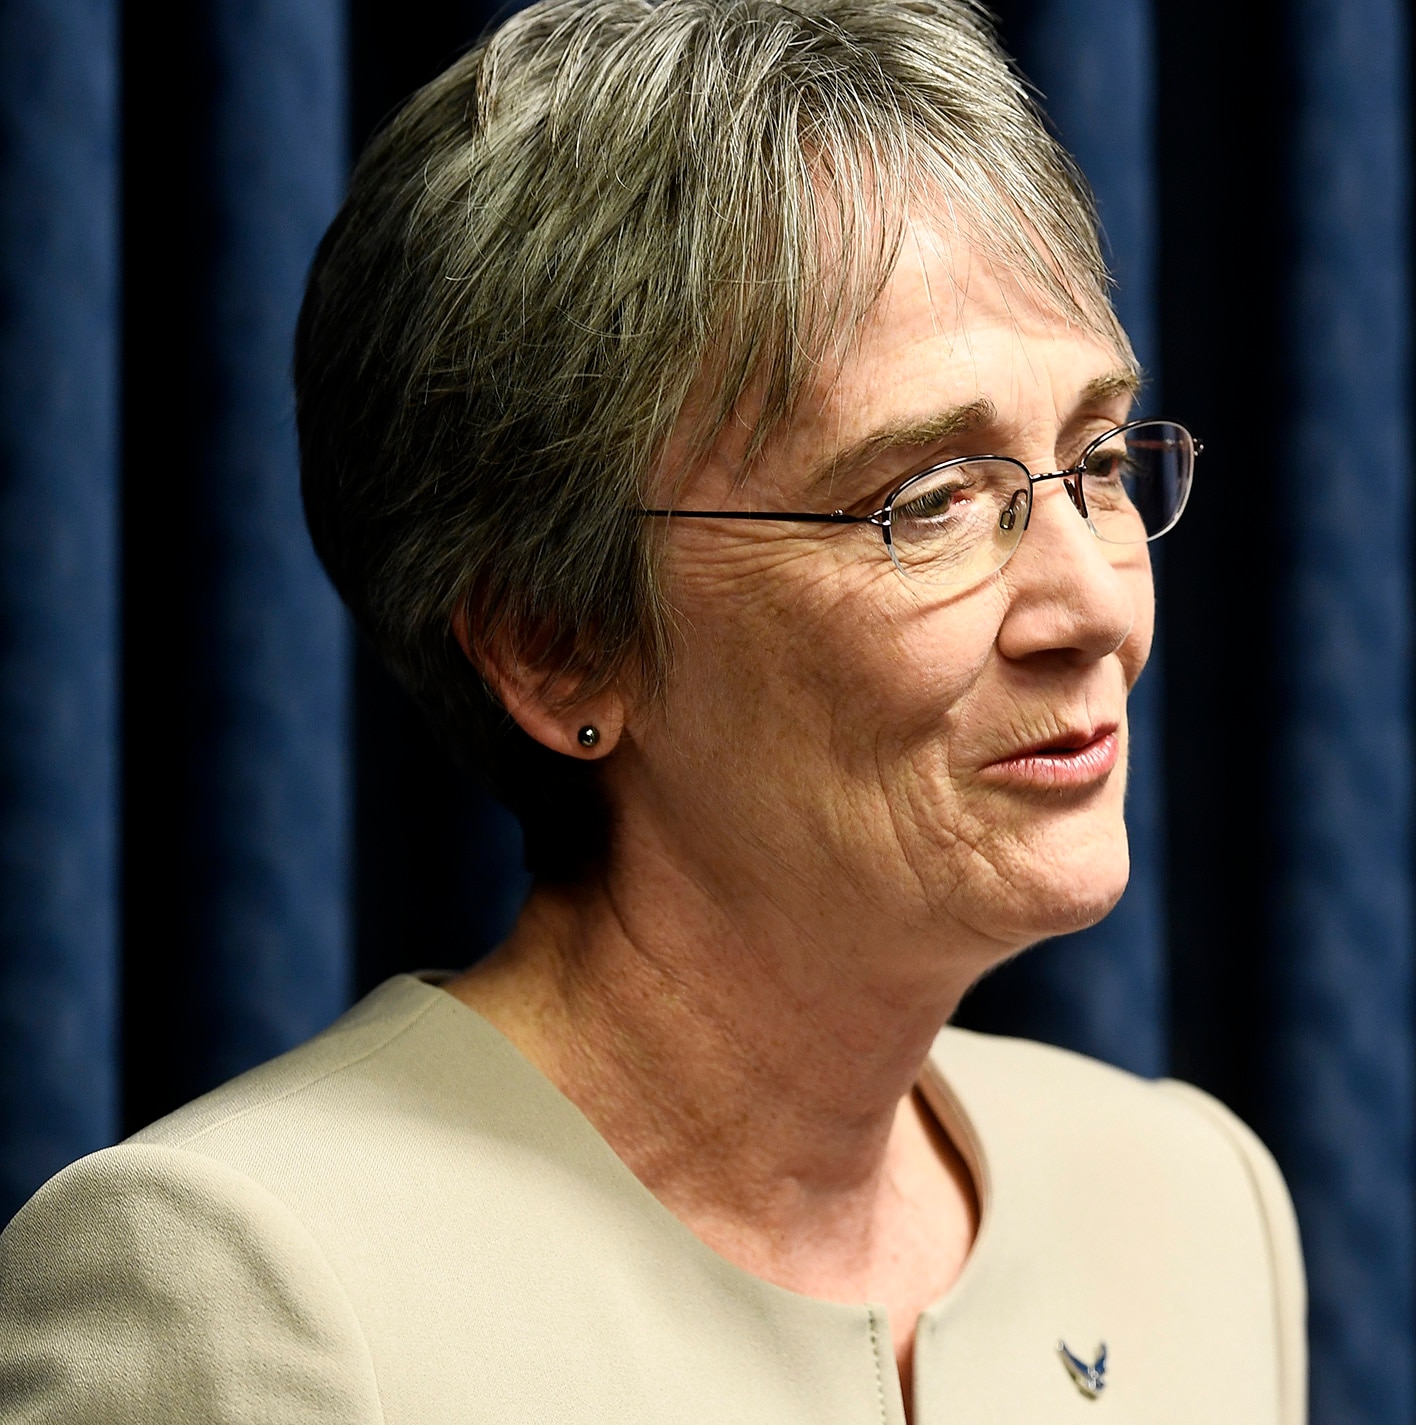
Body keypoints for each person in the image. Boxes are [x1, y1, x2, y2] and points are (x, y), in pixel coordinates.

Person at [0, 2, 1304, 1420]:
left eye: (1097, 459)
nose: (1096, 608)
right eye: (928, 502)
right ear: (556, 644)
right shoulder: (241, 1295)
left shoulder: (1191, 1207)